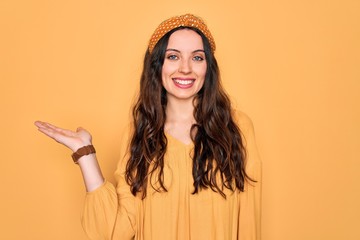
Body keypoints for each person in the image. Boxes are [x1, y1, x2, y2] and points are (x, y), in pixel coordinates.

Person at [35, 13, 261, 240]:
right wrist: (84, 153)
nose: (185, 68)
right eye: (173, 57)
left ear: (207, 67)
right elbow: (115, 231)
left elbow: (249, 219)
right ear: (157, 66)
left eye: (197, 58)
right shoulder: (140, 134)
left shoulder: (236, 128)